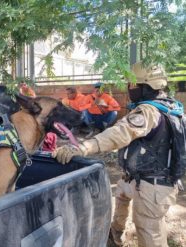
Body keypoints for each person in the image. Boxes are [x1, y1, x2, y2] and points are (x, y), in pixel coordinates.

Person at [53, 62, 179, 247]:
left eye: (132, 84)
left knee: (149, 232)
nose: (129, 88)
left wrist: (83, 147)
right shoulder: (171, 107)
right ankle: (116, 235)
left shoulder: (149, 112)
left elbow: (119, 133)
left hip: (153, 184)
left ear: (145, 85)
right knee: (121, 199)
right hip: (138, 176)